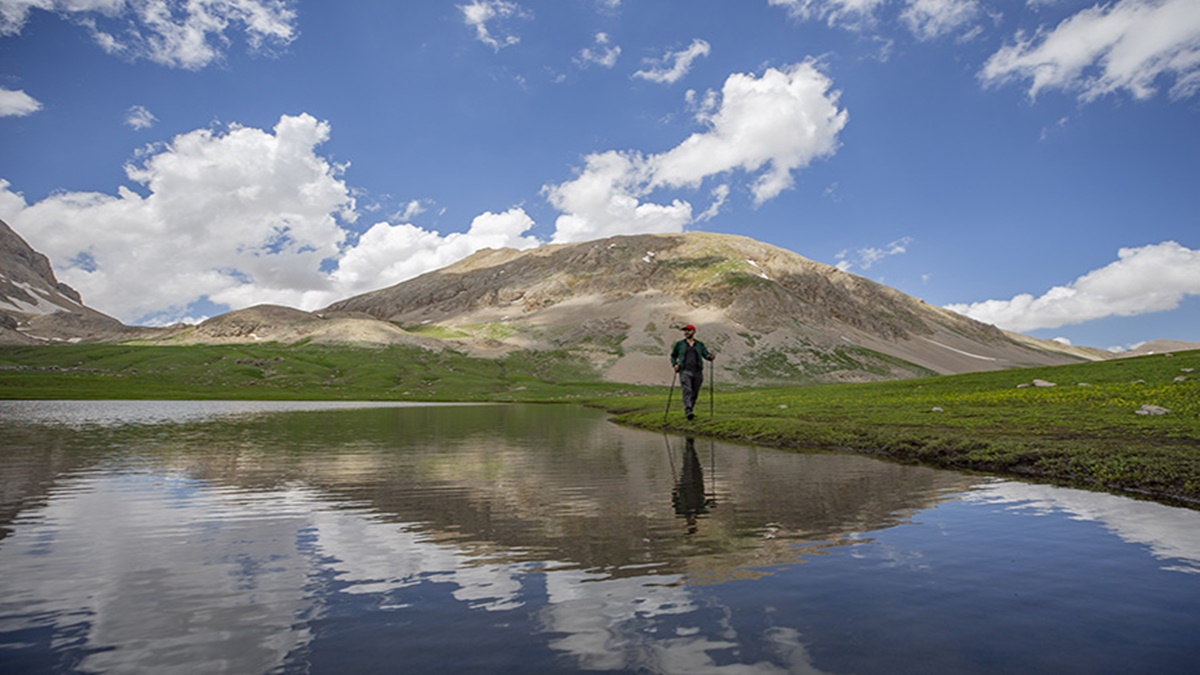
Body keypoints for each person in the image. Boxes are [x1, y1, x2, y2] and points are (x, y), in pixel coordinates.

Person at [669, 324, 715, 420]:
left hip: (697, 371)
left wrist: (710, 357)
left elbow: (706, 355)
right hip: (684, 370)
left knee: (695, 392)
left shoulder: (699, 344)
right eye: (685, 331)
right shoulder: (679, 344)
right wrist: (675, 364)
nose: (686, 332)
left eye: (688, 330)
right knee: (687, 390)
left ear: (693, 332)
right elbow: (673, 356)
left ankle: (690, 410)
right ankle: (688, 410)